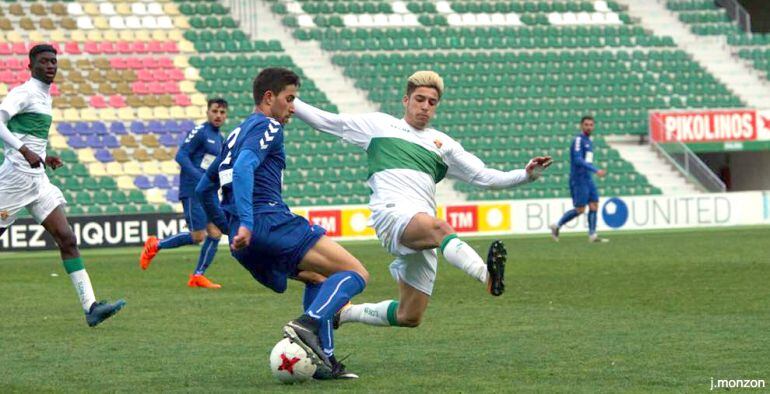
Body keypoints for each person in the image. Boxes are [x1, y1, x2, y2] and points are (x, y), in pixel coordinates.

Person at [292, 70, 552, 330]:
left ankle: (344, 314)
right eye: (420, 99)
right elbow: (326, 121)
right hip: (392, 216)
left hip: (419, 223)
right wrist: (291, 99)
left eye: (432, 102)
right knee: (440, 228)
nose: (425, 106)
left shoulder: (443, 144)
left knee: (409, 315)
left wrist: (525, 175)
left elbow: (484, 177)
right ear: (406, 100)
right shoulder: (379, 126)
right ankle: (487, 275)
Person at [195, 67, 368, 379]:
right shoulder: (268, 126)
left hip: (245, 243)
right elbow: (246, 166)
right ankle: (309, 323)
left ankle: (323, 363)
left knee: (317, 278)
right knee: (355, 272)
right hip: (269, 222)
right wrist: (247, 221)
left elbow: (203, 189)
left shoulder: (234, 134)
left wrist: (231, 227)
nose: (292, 107)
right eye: (289, 99)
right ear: (268, 97)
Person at [0, 44, 125, 326]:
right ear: (30, 65)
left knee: (67, 238)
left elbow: (29, 135)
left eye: (54, 61)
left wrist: (43, 156)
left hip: (37, 179)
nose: (50, 66)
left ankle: (91, 307)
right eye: (44, 61)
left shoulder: (45, 97)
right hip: (14, 180)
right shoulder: (24, 93)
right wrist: (25, 151)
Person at [140, 98, 229, 288]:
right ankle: (155, 245)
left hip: (208, 191)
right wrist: (199, 177)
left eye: (222, 112)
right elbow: (181, 155)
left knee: (215, 231)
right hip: (192, 190)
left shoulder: (221, 139)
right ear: (207, 112)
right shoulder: (200, 131)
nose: (218, 115)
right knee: (198, 236)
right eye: (215, 111)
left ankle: (197, 275)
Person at [550, 116, 609, 243]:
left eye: (591, 124)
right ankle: (557, 225)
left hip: (588, 178)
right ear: (581, 126)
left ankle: (592, 235)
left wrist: (591, 172)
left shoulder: (589, 141)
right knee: (580, 209)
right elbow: (577, 159)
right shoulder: (578, 140)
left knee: (594, 205)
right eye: (586, 124)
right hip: (579, 179)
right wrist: (595, 170)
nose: (589, 127)